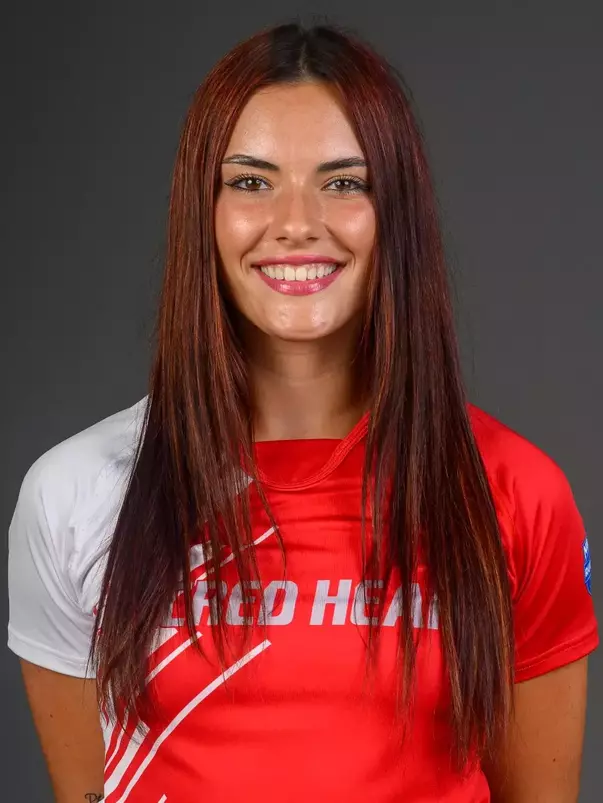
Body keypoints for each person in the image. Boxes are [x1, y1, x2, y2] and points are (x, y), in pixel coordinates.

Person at [7, 21, 598, 803]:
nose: (294, 220)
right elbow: (92, 787)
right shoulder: (76, 492)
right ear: (203, 211)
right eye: (250, 181)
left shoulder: (515, 493)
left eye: (343, 181)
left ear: (397, 212)